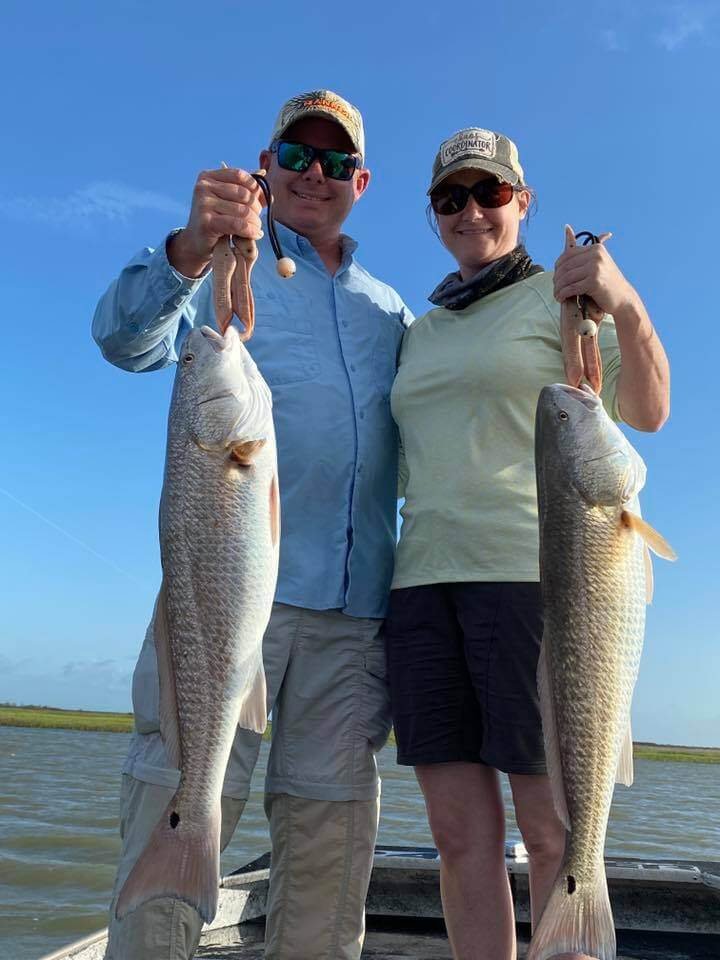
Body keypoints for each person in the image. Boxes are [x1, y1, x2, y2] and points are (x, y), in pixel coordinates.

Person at [92, 89, 412, 960]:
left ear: (362, 182)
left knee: (329, 853)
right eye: (298, 157)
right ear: (264, 164)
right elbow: (124, 341)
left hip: (355, 623)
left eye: (337, 162)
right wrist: (188, 251)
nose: (317, 175)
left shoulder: (392, 311)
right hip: (220, 601)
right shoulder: (219, 268)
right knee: (176, 800)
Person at [385, 127, 670, 960]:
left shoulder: (564, 300)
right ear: (433, 213)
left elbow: (647, 412)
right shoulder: (422, 329)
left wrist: (626, 302)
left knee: (554, 832)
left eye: (490, 193)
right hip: (421, 587)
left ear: (523, 202)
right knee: (458, 836)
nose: (471, 209)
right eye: (450, 197)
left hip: (537, 580)